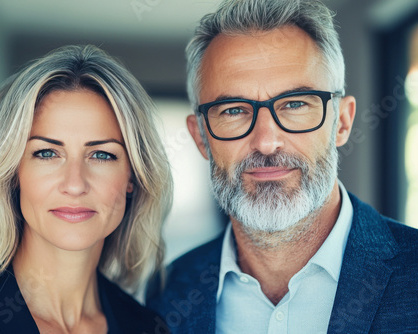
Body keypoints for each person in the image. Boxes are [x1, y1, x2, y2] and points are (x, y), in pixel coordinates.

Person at [146, 0, 418, 333]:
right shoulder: (163, 295)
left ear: (343, 122)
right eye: (233, 110)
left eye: (294, 104)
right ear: (200, 136)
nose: (266, 141)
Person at [0, 45, 172, 334]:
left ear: (133, 176)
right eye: (47, 153)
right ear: (13, 171)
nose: (75, 184)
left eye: (102, 155)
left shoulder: (149, 328)